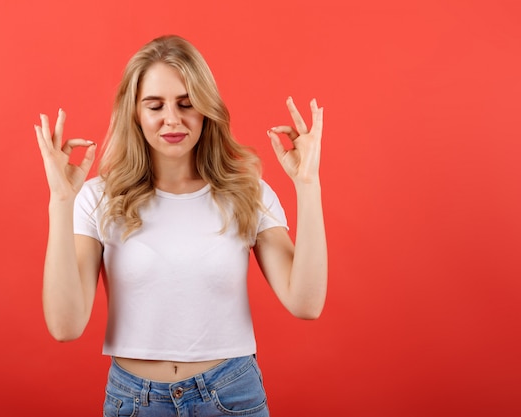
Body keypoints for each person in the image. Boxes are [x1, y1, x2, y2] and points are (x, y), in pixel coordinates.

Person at [35, 34, 327, 417]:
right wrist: (61, 201)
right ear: (135, 113)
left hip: (231, 395)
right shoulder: (97, 197)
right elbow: (64, 326)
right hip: (134, 400)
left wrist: (307, 185)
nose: (172, 119)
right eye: (155, 105)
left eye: (186, 104)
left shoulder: (246, 192)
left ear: (207, 109)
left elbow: (306, 303)